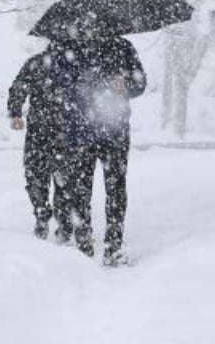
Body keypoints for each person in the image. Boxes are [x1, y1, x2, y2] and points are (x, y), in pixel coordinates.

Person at [52, 35, 145, 266]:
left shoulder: (123, 47)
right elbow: (57, 82)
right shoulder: (68, 48)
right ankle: (84, 243)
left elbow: (140, 83)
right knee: (80, 190)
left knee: (115, 188)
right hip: (80, 132)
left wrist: (126, 84)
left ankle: (114, 245)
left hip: (115, 132)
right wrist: (89, 83)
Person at [7, 42, 69, 241]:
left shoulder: (37, 62)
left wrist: (16, 112)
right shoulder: (72, 62)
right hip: (63, 131)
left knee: (37, 175)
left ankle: (43, 214)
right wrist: (16, 112)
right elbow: (19, 87)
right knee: (62, 179)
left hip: (40, 130)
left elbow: (18, 87)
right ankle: (60, 220)